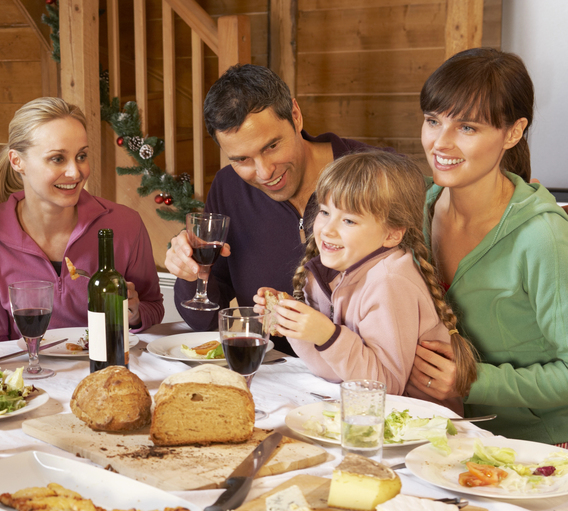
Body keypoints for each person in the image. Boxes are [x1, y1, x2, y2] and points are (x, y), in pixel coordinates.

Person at [406, 48, 568, 444]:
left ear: (512, 132)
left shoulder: (543, 237)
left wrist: (472, 381)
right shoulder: (418, 209)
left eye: (467, 128)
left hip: (536, 451)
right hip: (442, 434)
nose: (440, 142)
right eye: (433, 121)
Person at [164, 64, 386, 352]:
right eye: (241, 159)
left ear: (295, 115)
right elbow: (204, 322)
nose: (264, 172)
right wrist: (192, 273)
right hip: (273, 379)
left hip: (363, 380)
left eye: (271, 146)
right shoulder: (228, 188)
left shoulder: (376, 176)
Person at [254, 151, 473, 414]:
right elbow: (332, 370)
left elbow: (385, 388)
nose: (327, 229)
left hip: (418, 426)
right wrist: (295, 324)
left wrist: (327, 334)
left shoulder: (389, 282)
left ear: (392, 234)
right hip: (365, 415)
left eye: (349, 220)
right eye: (324, 211)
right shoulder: (327, 271)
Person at [0, 97, 163, 343]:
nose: (75, 172)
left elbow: (152, 306)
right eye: (57, 158)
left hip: (108, 375)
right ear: (17, 161)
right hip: (26, 378)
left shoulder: (125, 225)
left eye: (81, 156)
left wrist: (134, 314)